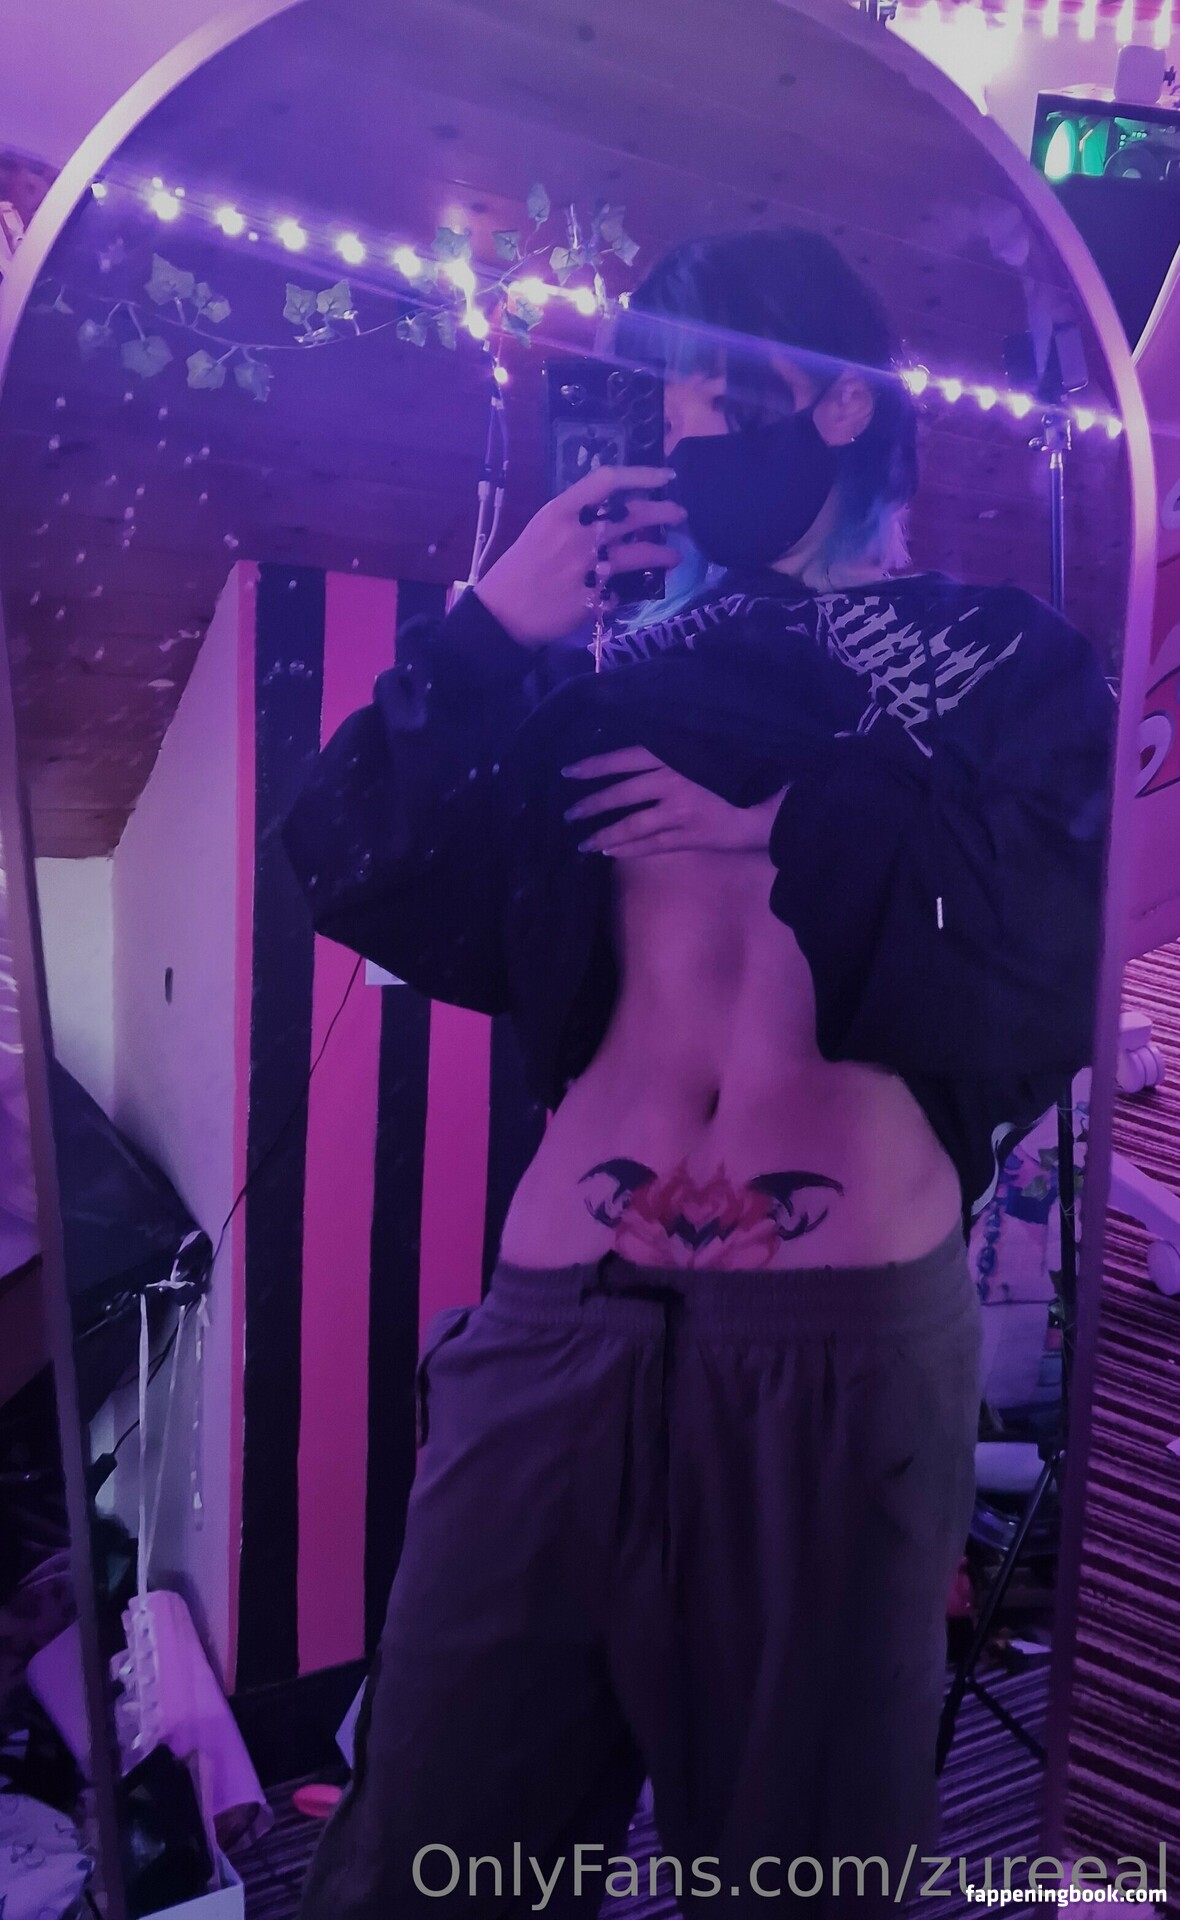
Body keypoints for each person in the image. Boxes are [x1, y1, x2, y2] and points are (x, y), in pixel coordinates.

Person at [281, 229, 1114, 1916]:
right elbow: (353, 859)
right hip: (555, 1330)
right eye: (668, 408)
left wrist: (788, 821)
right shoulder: (606, 669)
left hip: (836, 1358)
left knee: (803, 1865)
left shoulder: (1008, 655)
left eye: (723, 397)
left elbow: (1058, 944)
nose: (689, 438)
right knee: (427, 1852)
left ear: (840, 404)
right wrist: (485, 634)